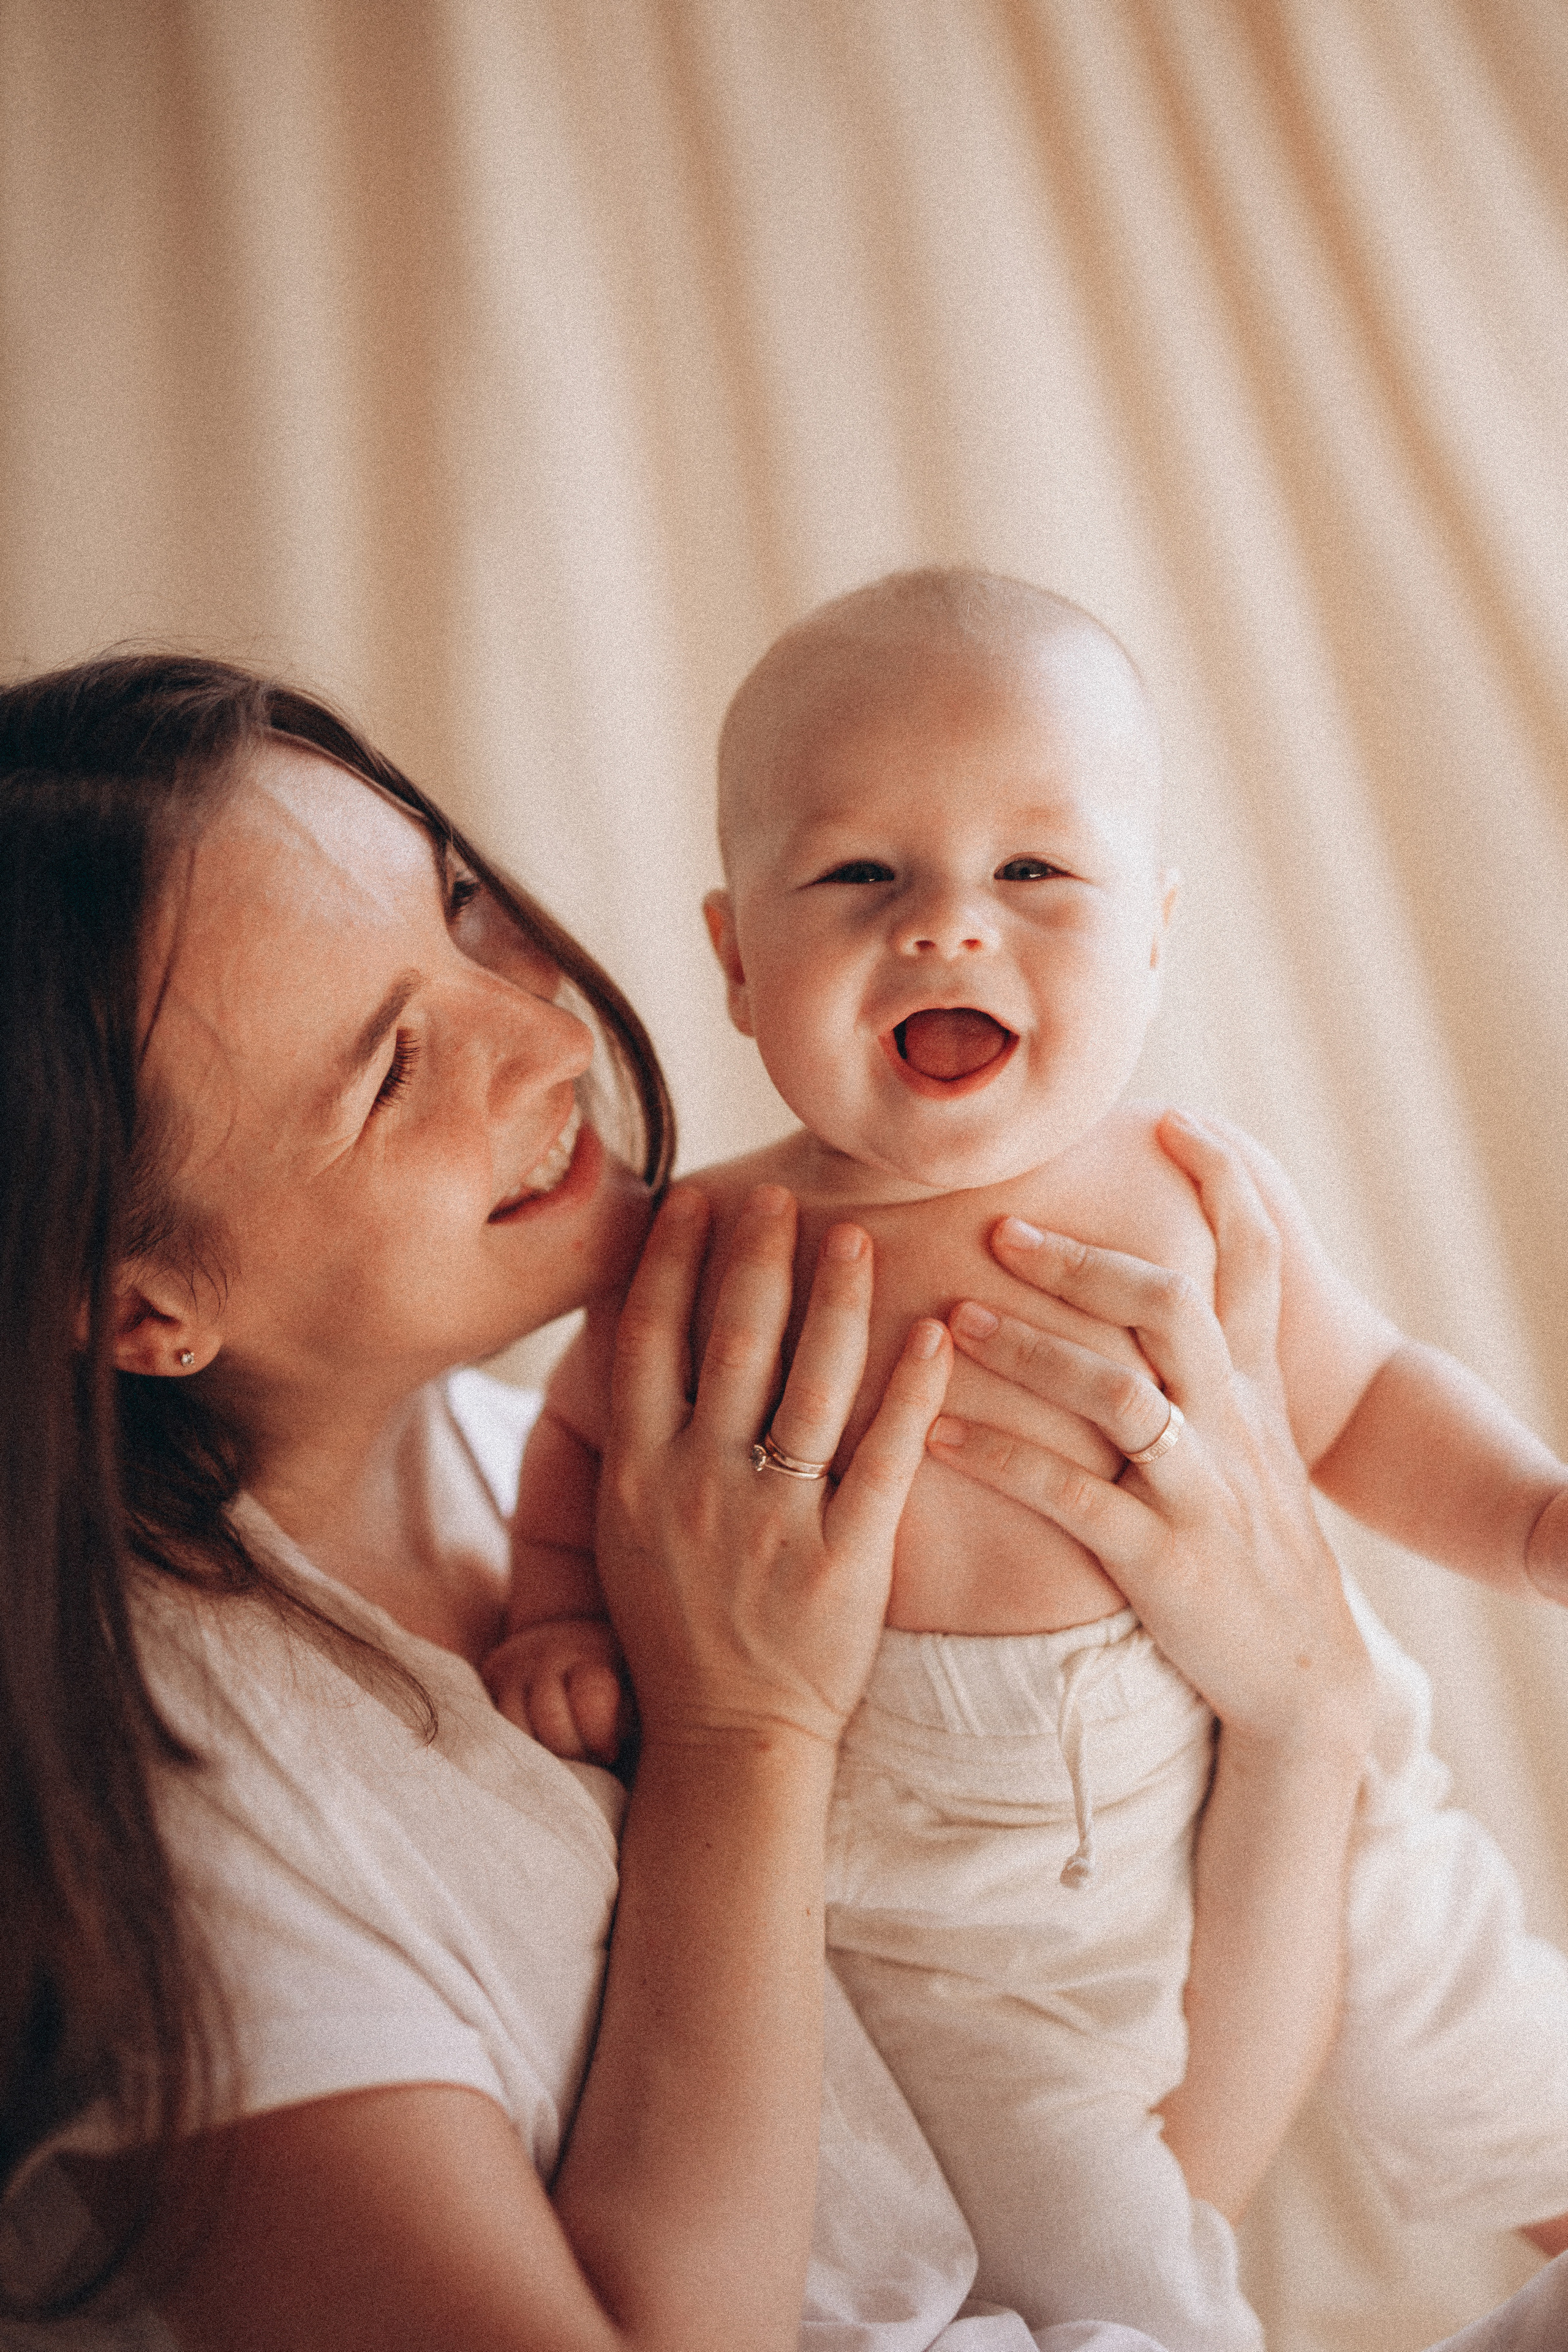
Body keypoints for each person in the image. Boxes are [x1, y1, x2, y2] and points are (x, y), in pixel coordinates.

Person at [0, 649, 1376, 2352]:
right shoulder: (170, 1859)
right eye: (390, 1071)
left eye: (459, 904)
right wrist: (740, 1740)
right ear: (141, 1304)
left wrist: (1306, 1708)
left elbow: (1139, 2207)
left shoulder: (587, 1470)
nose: (541, 1028)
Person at [491, 569, 1568, 2347]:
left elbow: (1364, 1397)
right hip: (935, 1910)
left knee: (1475, 2006)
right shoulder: (704, 1246)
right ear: (737, 958)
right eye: (859, 877)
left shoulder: (1193, 1192)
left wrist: (1529, 1521)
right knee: (1104, 2257)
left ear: (1152, 934)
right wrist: (556, 1622)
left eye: (1033, 876)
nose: (947, 929)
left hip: (1263, 1734)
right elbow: (579, 1452)